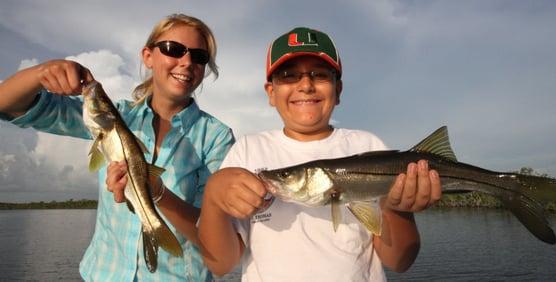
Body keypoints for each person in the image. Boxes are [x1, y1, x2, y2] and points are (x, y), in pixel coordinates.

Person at [0, 14, 234, 281]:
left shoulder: (217, 137)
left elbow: (217, 234)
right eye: (174, 49)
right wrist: (41, 73)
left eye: (199, 56)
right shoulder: (115, 116)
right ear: (148, 56)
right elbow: (7, 105)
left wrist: (158, 194)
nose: (187, 61)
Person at [197, 27, 441, 281]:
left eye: (320, 75)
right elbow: (220, 264)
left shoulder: (368, 145)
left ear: (339, 90)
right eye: (289, 76)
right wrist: (213, 198)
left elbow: (399, 261)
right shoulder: (247, 150)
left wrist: (398, 210)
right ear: (271, 92)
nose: (306, 85)